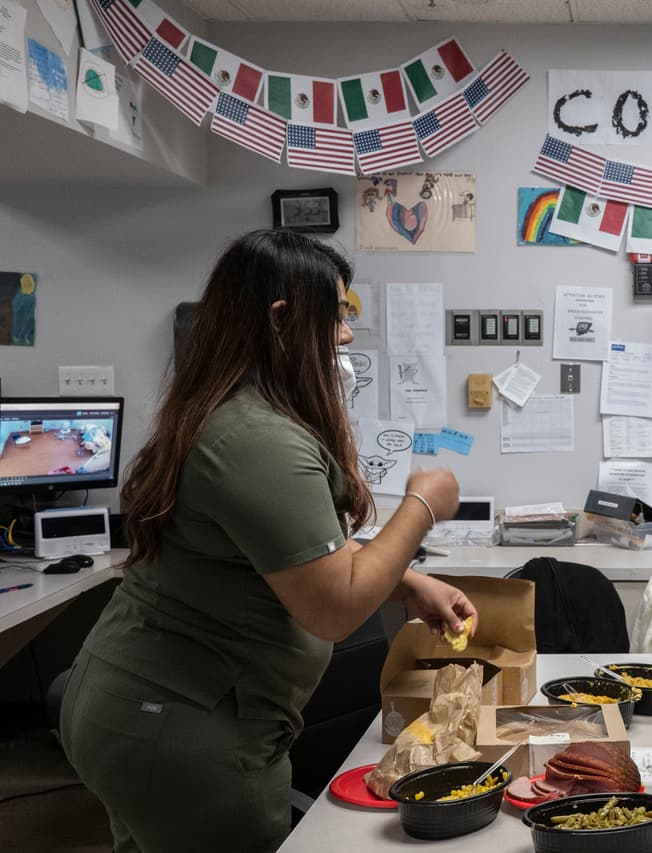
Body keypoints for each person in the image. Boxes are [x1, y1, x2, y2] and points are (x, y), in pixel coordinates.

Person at [59, 229, 476, 852]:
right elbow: (333, 607)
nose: (345, 335)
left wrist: (407, 581)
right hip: (181, 727)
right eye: (336, 315)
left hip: (137, 707)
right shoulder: (257, 439)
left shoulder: (236, 412)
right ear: (282, 317)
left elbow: (290, 551)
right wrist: (422, 506)